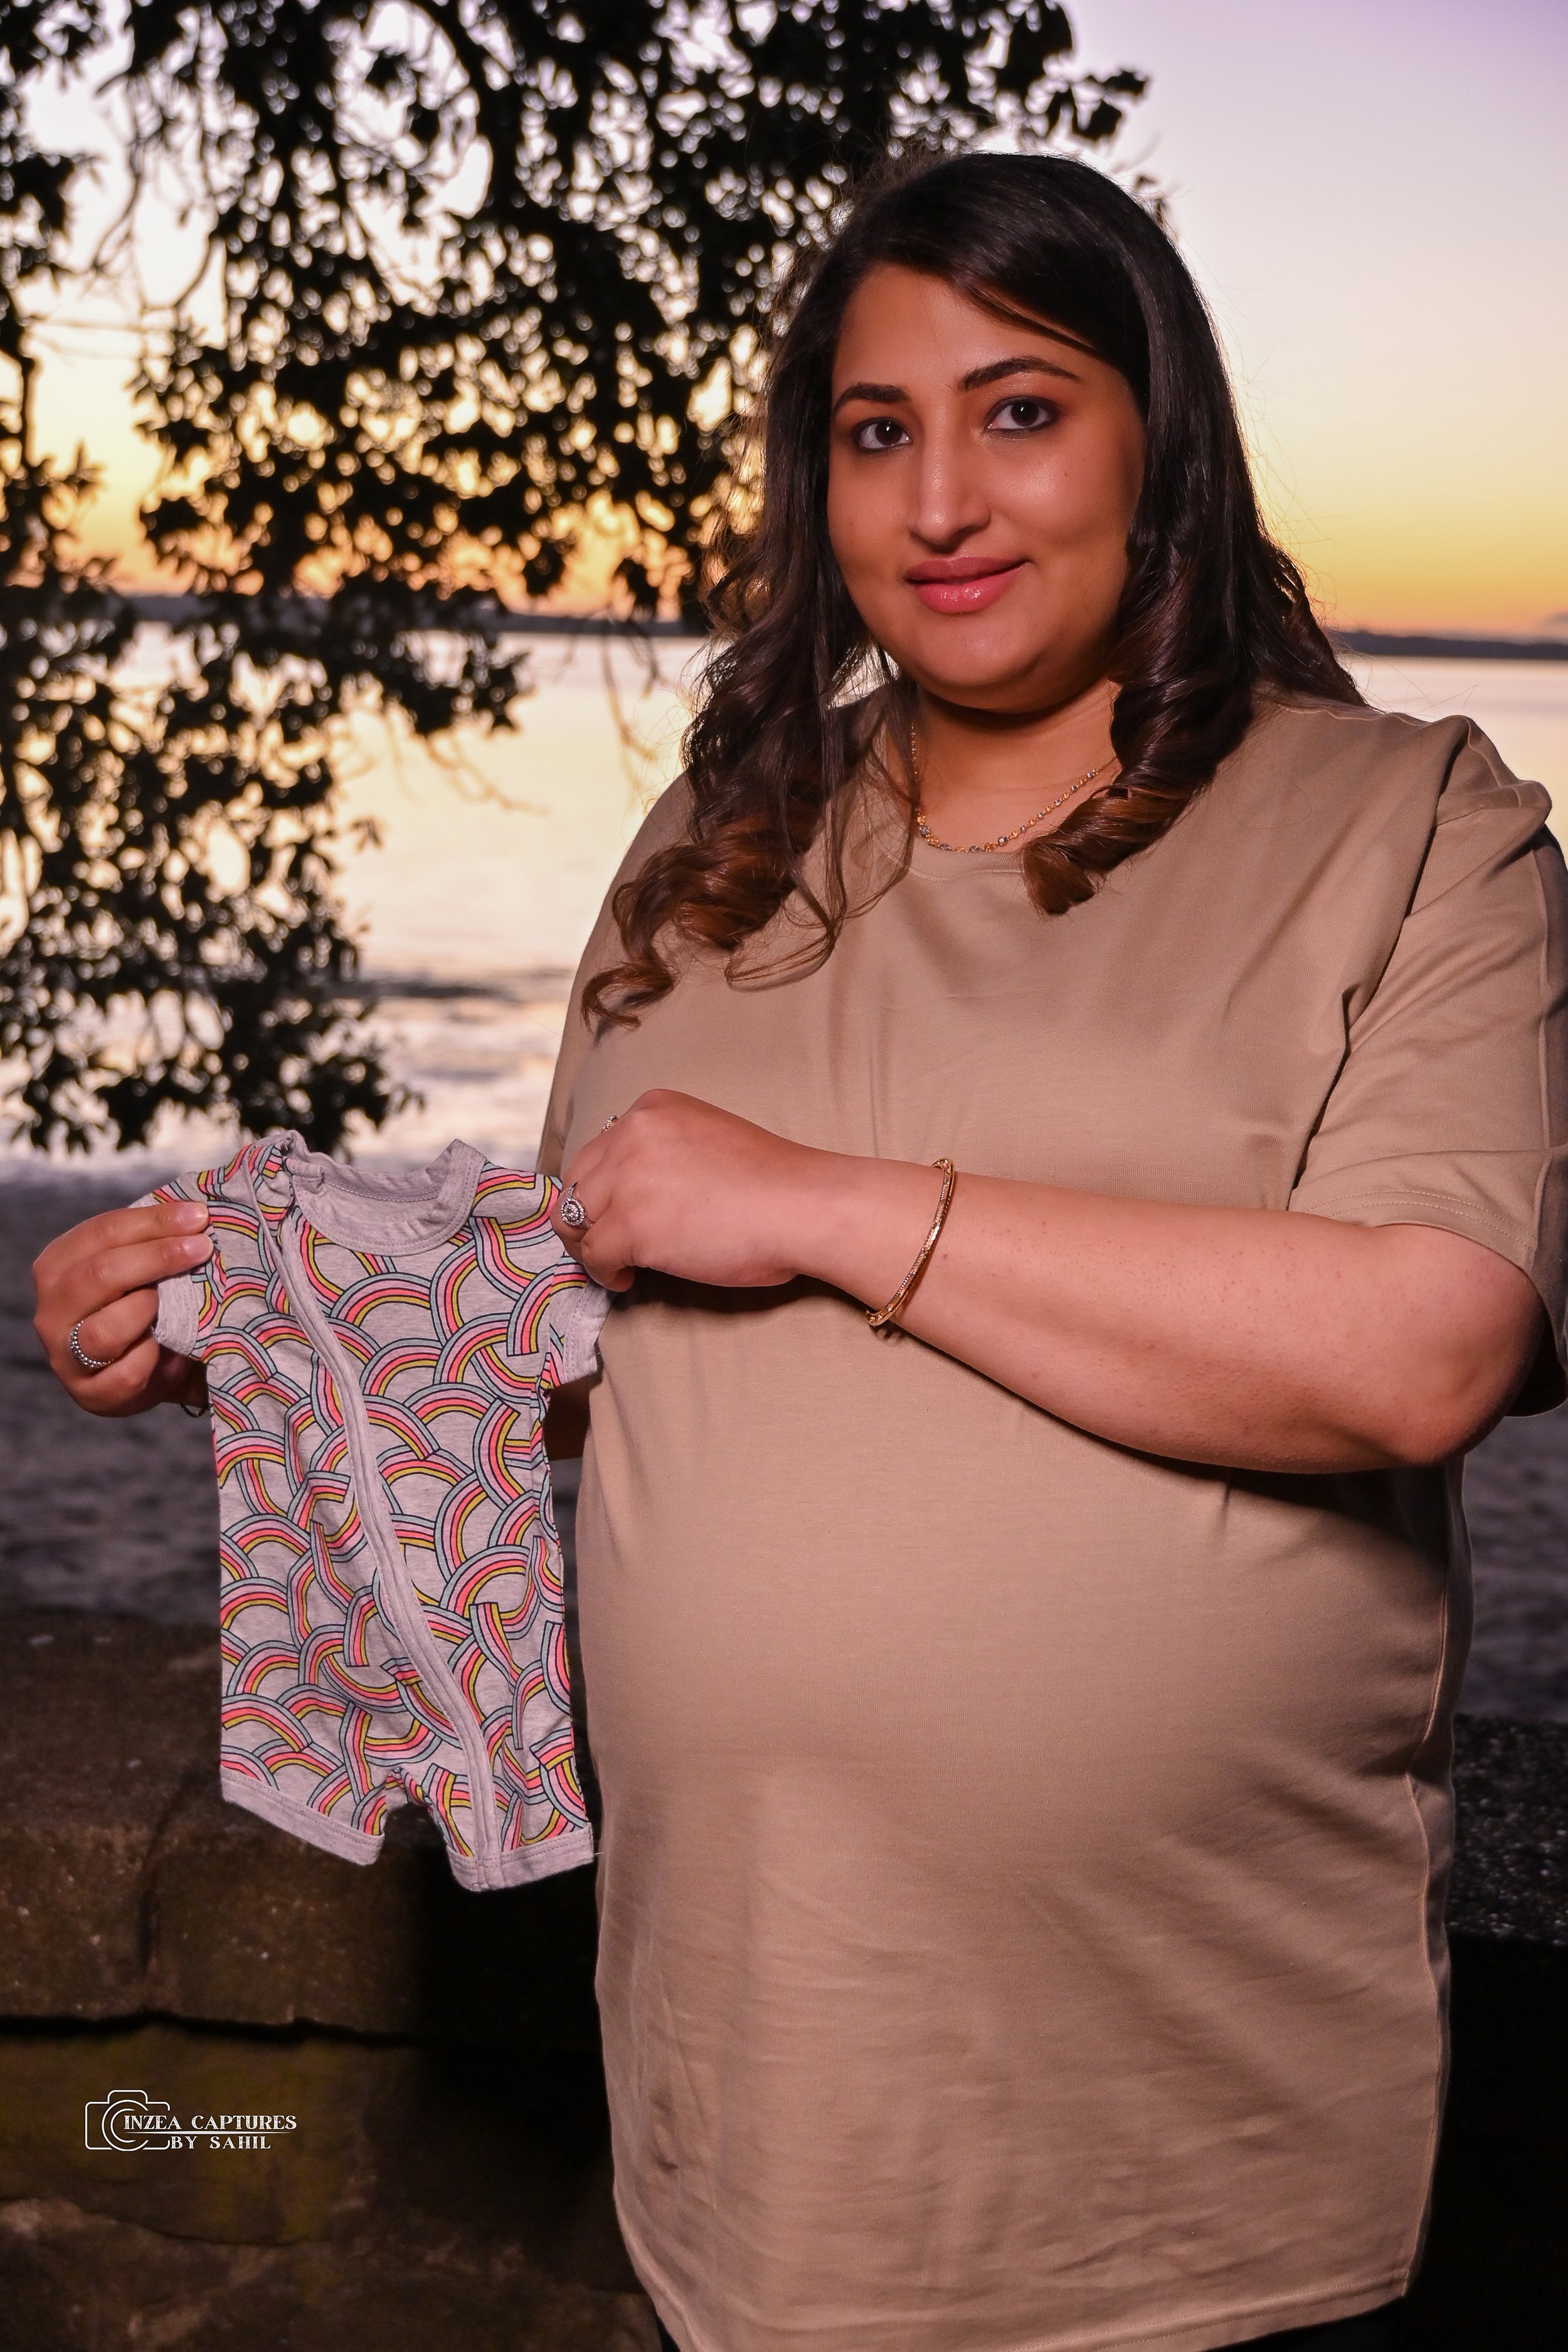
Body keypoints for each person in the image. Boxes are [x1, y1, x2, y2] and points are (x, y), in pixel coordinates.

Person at [34, 152, 1567, 2352]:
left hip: (1195, 2173)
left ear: (1164, 443)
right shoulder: (714, 848)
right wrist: (256, 1333)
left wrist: (823, 1203)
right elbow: (588, 1343)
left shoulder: (1412, 822)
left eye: (1019, 409)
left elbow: (1422, 1347)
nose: (940, 496)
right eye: (874, 430)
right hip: (745, 2122)